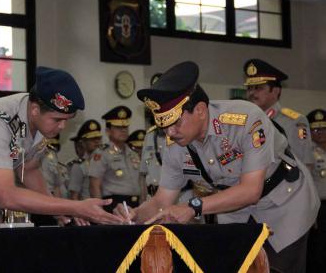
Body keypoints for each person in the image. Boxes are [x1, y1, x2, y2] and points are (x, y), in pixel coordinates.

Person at [116, 61, 319, 273]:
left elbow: (251, 190)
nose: (170, 133)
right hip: (234, 211)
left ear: (201, 110)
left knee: (276, 269)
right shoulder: (175, 145)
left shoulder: (245, 120)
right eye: (164, 126)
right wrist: (135, 215)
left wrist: (192, 207)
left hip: (284, 204)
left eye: (176, 123)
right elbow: (161, 200)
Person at [0, 66, 123, 230]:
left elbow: (29, 168)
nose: (62, 128)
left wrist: (57, 211)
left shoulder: (39, 123)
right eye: (57, 120)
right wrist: (73, 207)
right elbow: (6, 196)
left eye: (67, 120)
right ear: (35, 109)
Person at [244, 58, 314, 168]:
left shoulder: (294, 121)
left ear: (276, 91)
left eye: (258, 88)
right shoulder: (246, 121)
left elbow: (304, 162)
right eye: (249, 88)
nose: (252, 93)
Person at [89, 106, 141, 212]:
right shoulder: (101, 153)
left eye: (125, 127)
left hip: (135, 204)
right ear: (108, 131)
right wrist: (100, 212)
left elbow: (141, 182)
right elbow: (94, 185)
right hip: (113, 205)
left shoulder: (133, 154)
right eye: (118, 127)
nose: (123, 130)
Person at [306, 109, 326, 273]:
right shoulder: (306, 152)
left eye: (323, 128)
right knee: (318, 248)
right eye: (315, 129)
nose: (320, 133)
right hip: (318, 207)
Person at [68, 120, 103, 200]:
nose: (96, 141)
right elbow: (74, 196)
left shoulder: (106, 162)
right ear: (83, 143)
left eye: (98, 138)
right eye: (92, 139)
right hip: (89, 208)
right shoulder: (79, 166)